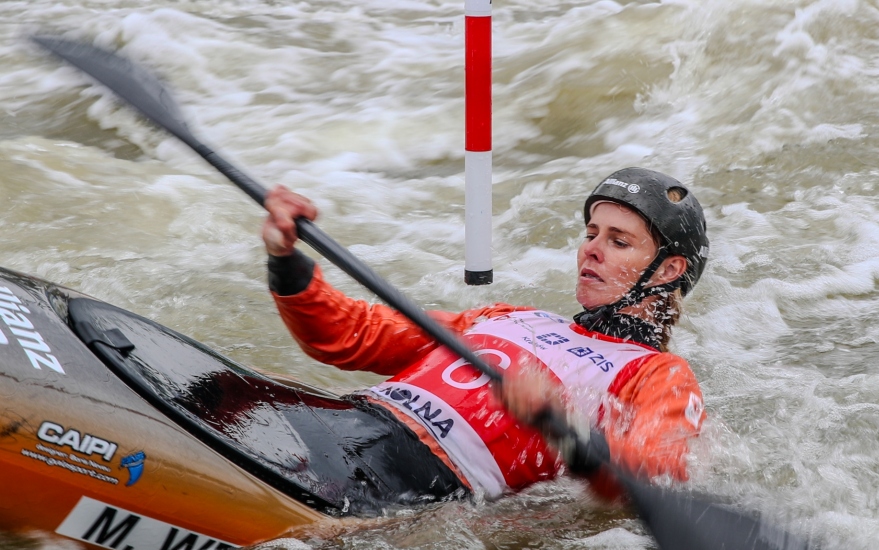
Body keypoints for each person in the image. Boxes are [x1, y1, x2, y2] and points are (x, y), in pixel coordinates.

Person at [261, 167, 708, 507]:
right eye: (591, 233)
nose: (591, 248)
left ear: (667, 270)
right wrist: (286, 260)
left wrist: (562, 426)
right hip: (339, 424)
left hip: (410, 483)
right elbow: (351, 335)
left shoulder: (658, 374)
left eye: (619, 242)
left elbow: (656, 474)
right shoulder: (513, 317)